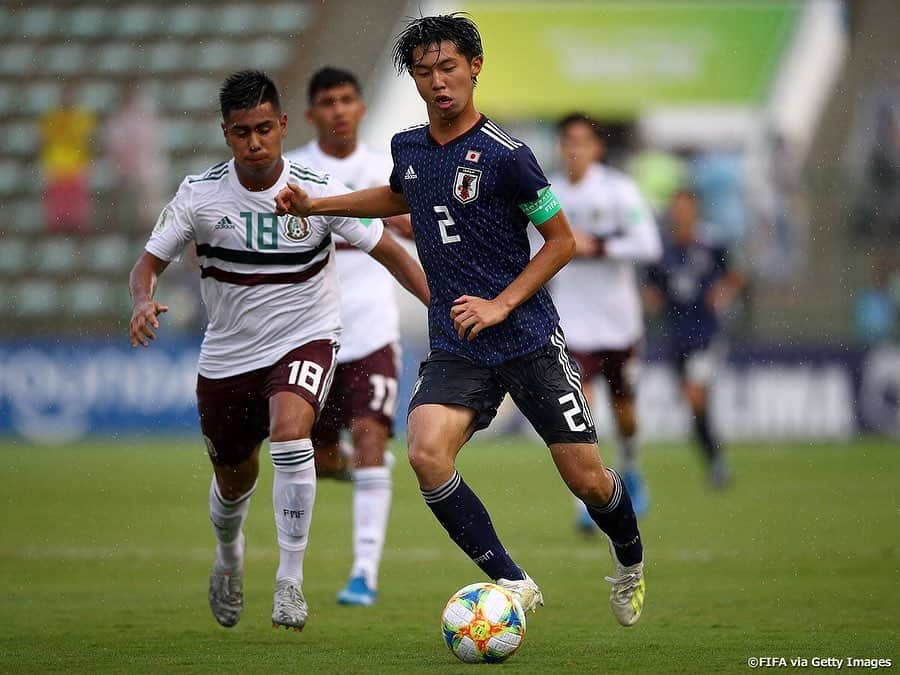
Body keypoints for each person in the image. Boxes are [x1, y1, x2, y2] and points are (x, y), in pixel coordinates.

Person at [275, 14, 646, 627]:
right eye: (424, 72)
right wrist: (319, 204)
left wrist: (502, 302)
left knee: (586, 480)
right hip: (459, 341)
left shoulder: (510, 157)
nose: (437, 82)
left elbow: (561, 242)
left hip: (527, 337)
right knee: (425, 454)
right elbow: (399, 195)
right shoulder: (409, 147)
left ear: (475, 68)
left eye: (448, 67)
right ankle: (512, 580)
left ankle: (629, 559)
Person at [128, 70, 428, 632]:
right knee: (232, 482)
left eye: (265, 128)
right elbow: (147, 262)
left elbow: (390, 250)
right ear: (226, 133)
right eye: (242, 132)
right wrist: (142, 301)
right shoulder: (199, 195)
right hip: (228, 354)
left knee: (292, 433)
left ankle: (290, 582)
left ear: (284, 125)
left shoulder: (315, 195)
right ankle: (229, 556)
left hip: (306, 337)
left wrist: (440, 307)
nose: (256, 142)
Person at [284, 66, 414, 606]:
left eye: (347, 99)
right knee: (314, 456)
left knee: (368, 436)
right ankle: (352, 465)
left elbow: (419, 226)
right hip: (310, 334)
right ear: (312, 115)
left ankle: (364, 572)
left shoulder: (388, 173)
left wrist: (410, 220)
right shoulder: (291, 174)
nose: (339, 110)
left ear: (361, 108)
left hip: (374, 334)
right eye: (328, 102)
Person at [546, 113, 661, 526]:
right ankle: (588, 502)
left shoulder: (619, 190)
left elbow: (648, 245)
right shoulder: (547, 194)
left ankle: (631, 469)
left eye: (582, 141)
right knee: (581, 411)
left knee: (624, 412)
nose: (574, 149)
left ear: (597, 147)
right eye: (567, 141)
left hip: (619, 323)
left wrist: (597, 248)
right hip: (570, 322)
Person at [644, 189, 745, 488]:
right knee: (693, 403)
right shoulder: (662, 249)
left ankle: (716, 461)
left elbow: (737, 274)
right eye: (676, 208)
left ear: (696, 211)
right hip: (677, 336)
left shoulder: (712, 243)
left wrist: (724, 291)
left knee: (695, 393)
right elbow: (653, 288)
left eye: (686, 208)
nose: (681, 214)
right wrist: (650, 301)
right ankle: (714, 458)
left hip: (707, 334)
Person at [104, 79, 169, 231]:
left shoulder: (146, 113)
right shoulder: (117, 118)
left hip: (147, 170)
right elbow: (114, 147)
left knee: (150, 213)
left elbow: (153, 143)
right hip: (124, 172)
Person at [40, 82, 95, 233]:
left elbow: (88, 141)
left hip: (76, 167)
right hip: (56, 167)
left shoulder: (82, 118)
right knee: (56, 211)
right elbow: (44, 140)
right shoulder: (52, 118)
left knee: (76, 212)